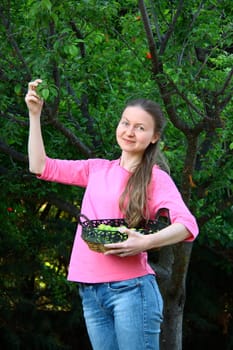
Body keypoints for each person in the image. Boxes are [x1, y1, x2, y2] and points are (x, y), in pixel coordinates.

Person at [25, 79, 199, 350]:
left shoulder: (155, 179)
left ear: (154, 137)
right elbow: (40, 166)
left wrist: (145, 242)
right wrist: (35, 115)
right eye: (125, 123)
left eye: (140, 127)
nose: (129, 131)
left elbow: (188, 226)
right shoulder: (96, 169)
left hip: (132, 291)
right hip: (90, 290)